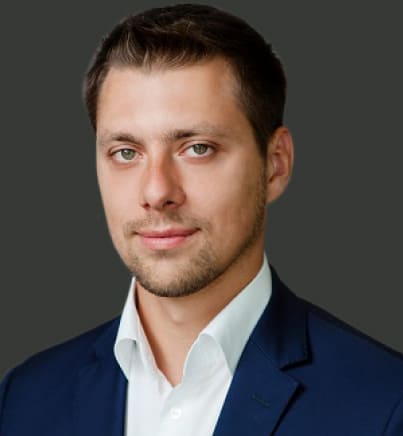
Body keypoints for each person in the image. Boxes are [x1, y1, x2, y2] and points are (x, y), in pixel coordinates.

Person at [1, 4, 403, 435]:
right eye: (126, 152)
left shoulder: (386, 405)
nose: (156, 192)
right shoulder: (23, 400)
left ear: (275, 164)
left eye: (197, 148)